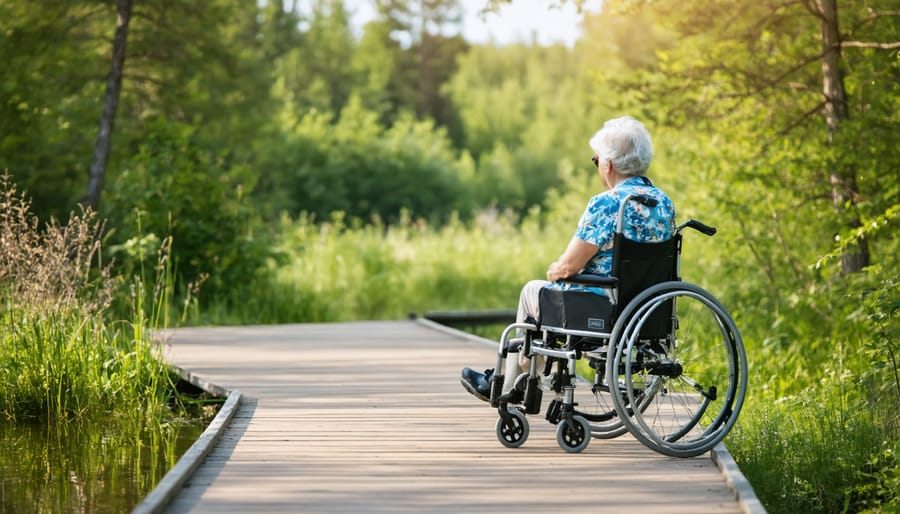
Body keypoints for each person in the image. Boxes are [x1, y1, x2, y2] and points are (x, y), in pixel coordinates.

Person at [460, 116, 676, 402]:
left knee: (532, 292)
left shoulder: (607, 203)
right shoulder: (663, 202)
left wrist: (556, 270)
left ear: (608, 164)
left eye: (596, 159)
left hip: (601, 309)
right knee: (548, 293)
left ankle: (510, 385)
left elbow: (569, 266)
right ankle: (519, 381)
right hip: (648, 311)